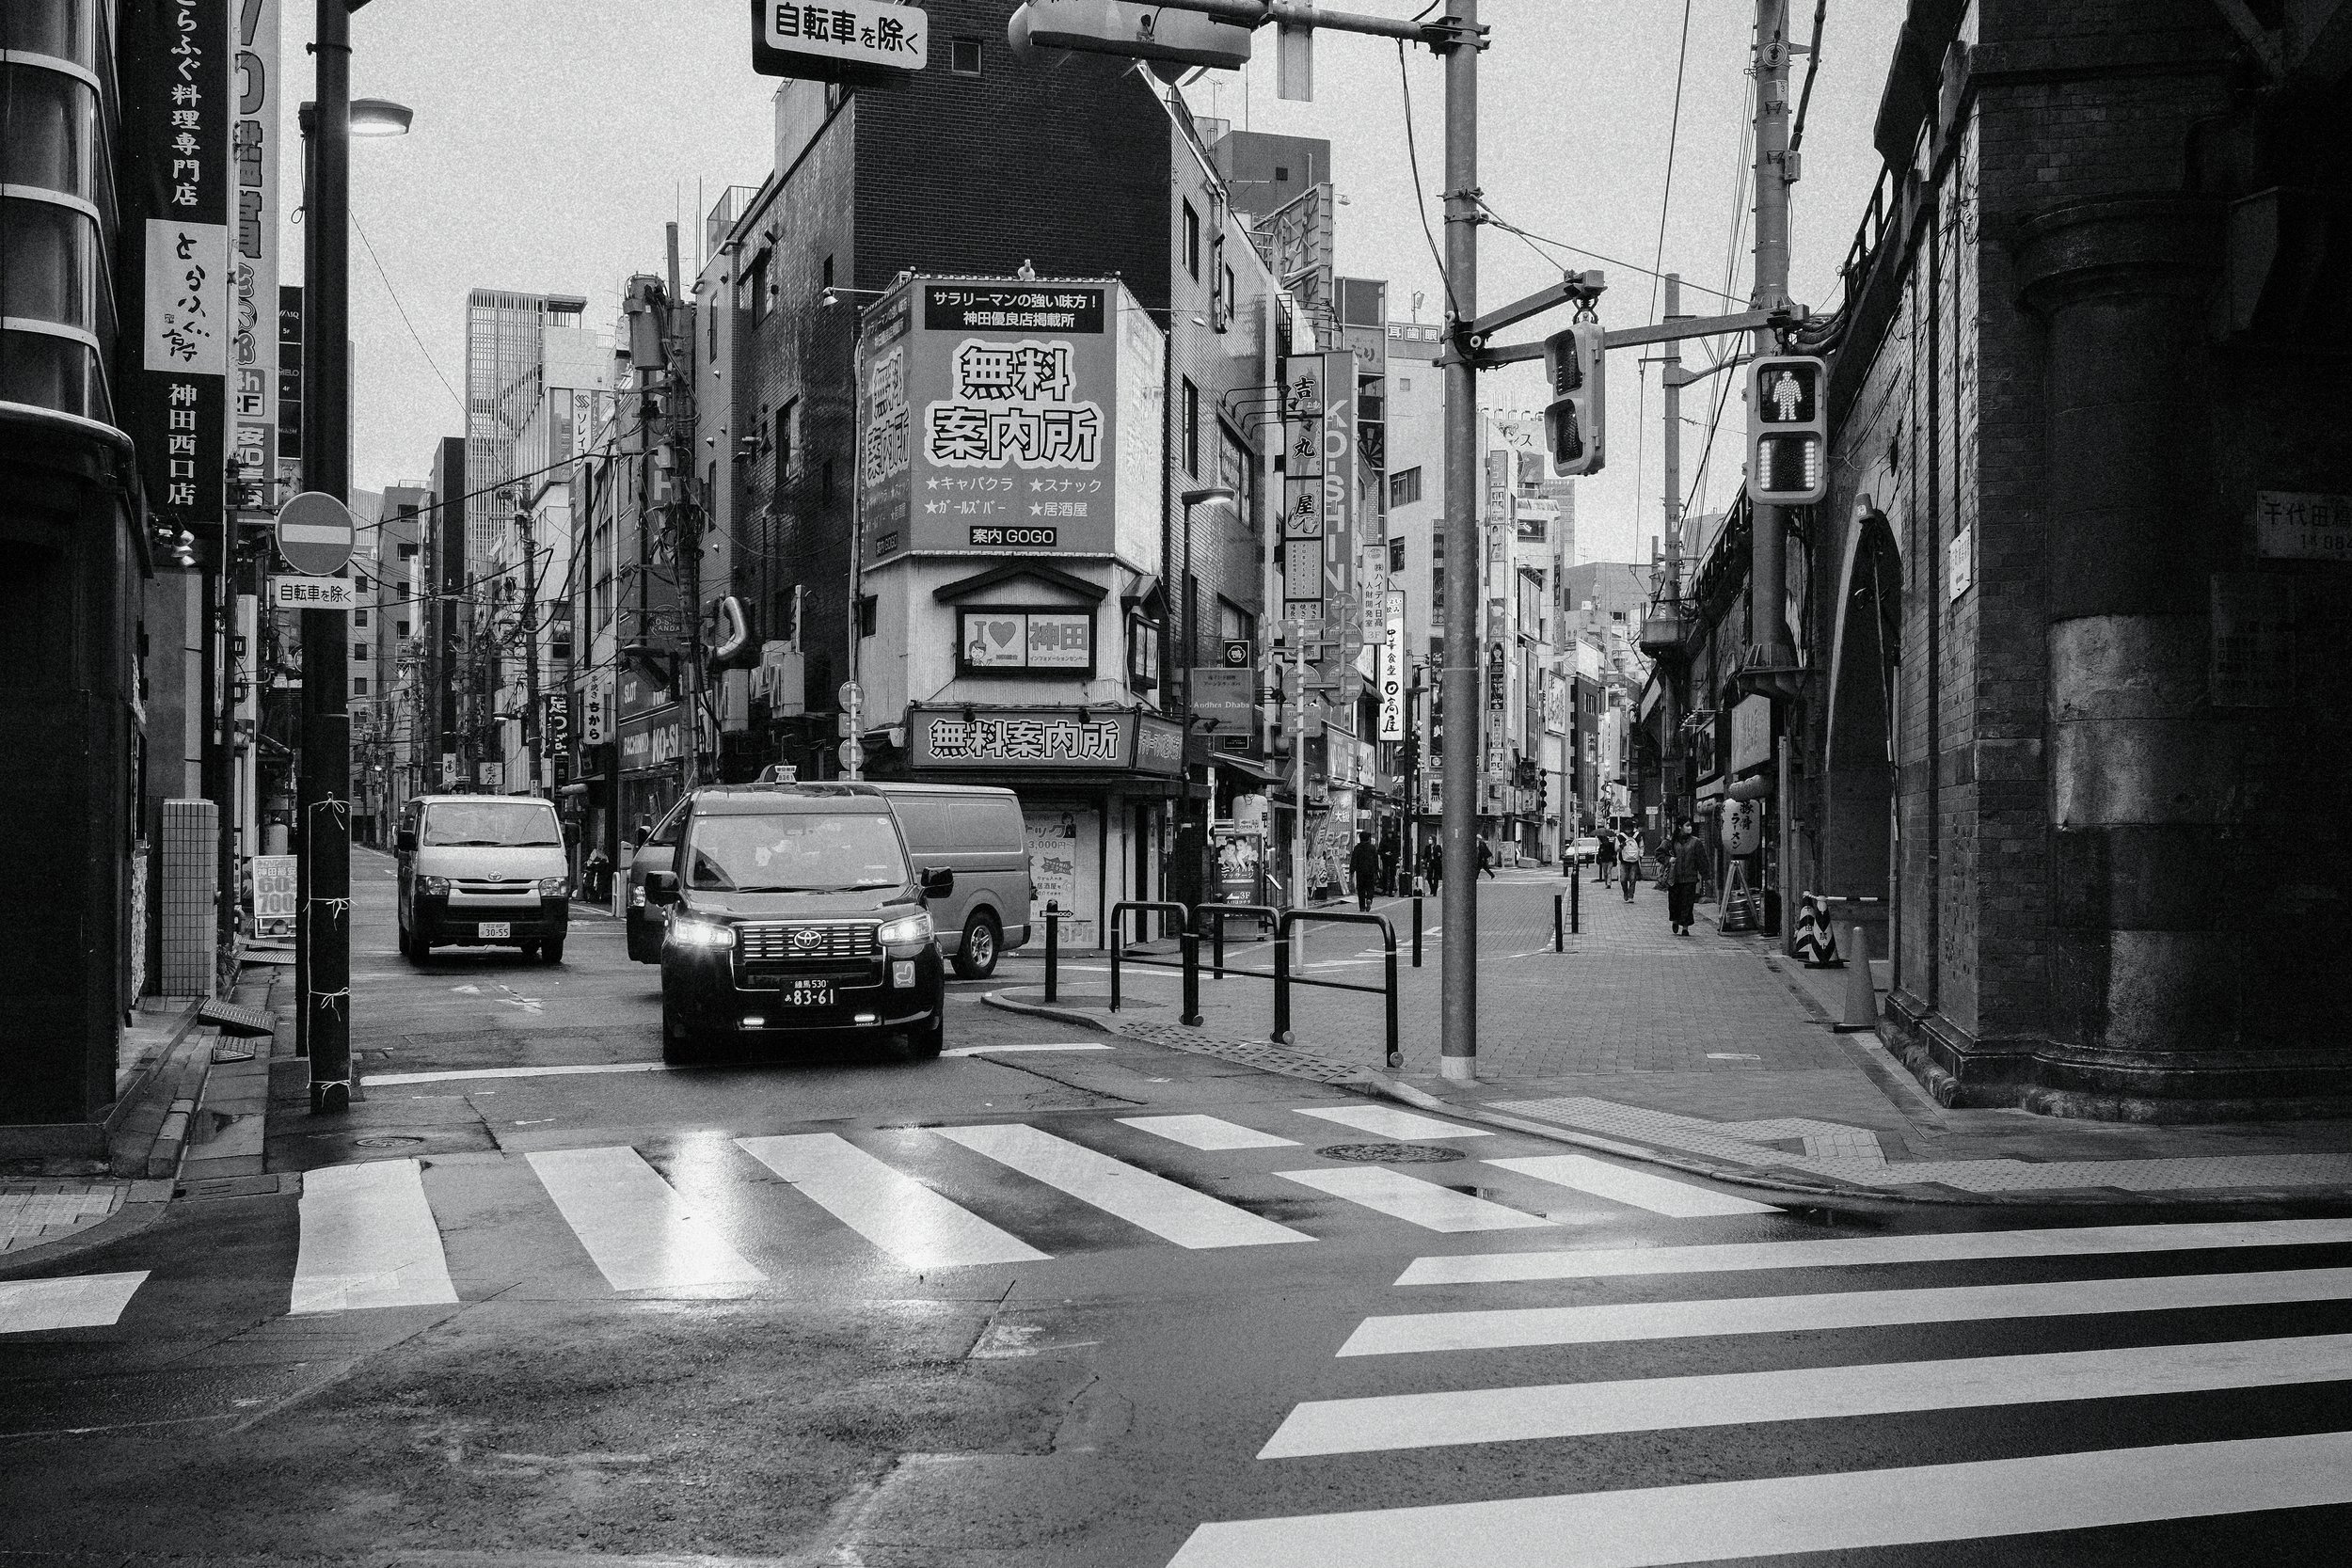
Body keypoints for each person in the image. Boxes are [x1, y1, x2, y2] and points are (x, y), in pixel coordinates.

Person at [1667, 818, 1707, 936]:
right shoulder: (1672, 841)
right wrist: (1668, 860)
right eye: (1687, 825)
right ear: (1680, 827)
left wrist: (1707, 876)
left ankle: (1685, 927)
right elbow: (1660, 853)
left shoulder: (1696, 842)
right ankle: (1675, 920)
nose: (1689, 828)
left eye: (1690, 826)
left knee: (1687, 904)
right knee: (1674, 902)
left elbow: (1702, 861)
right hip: (1674, 878)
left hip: (1690, 878)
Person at [1348, 831, 1382, 912]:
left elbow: (1354, 860)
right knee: (1370, 887)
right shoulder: (1372, 848)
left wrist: (1352, 870)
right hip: (1370, 871)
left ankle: (1362, 907)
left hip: (1360, 871)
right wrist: (1377, 870)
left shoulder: (1357, 848)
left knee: (1361, 889)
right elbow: (1376, 860)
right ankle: (1369, 899)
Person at [1620, 831, 1639, 901]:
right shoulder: (1620, 837)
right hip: (1624, 861)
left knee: (1632, 878)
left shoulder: (1638, 836)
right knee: (1623, 879)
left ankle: (1630, 895)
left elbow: (1641, 846)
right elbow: (1616, 849)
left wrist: (1640, 855)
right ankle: (1625, 892)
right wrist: (1621, 846)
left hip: (1634, 860)